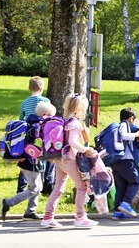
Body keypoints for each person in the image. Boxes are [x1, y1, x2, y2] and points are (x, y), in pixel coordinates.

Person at [40, 93, 99, 228]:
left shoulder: (67, 121)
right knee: (82, 187)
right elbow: (72, 142)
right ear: (78, 109)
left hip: (60, 159)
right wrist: (86, 150)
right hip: (70, 159)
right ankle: (80, 217)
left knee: (58, 188)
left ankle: (48, 217)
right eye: (84, 109)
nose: (85, 112)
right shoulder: (75, 123)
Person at [0, 102, 56, 222]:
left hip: (30, 161)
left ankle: (30, 212)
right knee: (34, 188)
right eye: (50, 116)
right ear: (45, 114)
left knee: (37, 186)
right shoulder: (37, 128)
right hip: (31, 162)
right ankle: (8, 203)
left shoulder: (32, 124)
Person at [111, 108, 139, 220]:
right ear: (131, 118)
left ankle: (118, 212)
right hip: (125, 161)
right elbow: (123, 135)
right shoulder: (124, 125)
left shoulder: (121, 126)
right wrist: (136, 134)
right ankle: (125, 204)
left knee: (121, 187)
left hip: (116, 162)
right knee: (136, 181)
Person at [17, 76, 52, 194]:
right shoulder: (46, 101)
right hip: (42, 134)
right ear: (42, 88)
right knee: (43, 158)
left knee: (26, 160)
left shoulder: (24, 103)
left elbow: (21, 119)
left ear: (29, 88)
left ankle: (21, 187)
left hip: (28, 135)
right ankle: (44, 182)